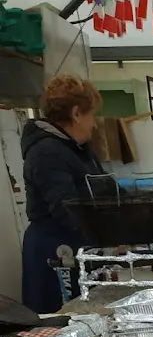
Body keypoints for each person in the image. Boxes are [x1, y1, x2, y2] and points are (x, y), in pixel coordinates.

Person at [21, 74, 103, 313]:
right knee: (62, 322)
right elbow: (66, 207)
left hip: (78, 244)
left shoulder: (79, 149)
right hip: (55, 249)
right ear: (76, 113)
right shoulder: (47, 151)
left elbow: (105, 187)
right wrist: (108, 233)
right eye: (92, 115)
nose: (95, 124)